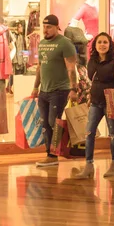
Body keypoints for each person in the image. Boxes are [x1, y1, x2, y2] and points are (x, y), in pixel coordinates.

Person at [74, 33, 114, 179]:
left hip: (110, 102)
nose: (102, 45)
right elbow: (92, 80)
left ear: (110, 45)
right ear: (95, 45)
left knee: (113, 134)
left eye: (105, 42)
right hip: (96, 102)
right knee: (89, 133)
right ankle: (89, 165)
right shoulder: (92, 61)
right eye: (99, 42)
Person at [31, 15, 78, 167]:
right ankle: (50, 155)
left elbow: (71, 69)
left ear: (57, 27)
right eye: (44, 27)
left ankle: (58, 152)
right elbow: (39, 67)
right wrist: (35, 87)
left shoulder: (65, 44)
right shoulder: (42, 43)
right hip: (44, 91)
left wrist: (73, 89)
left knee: (53, 122)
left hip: (60, 90)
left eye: (49, 27)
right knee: (45, 124)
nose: (45, 30)